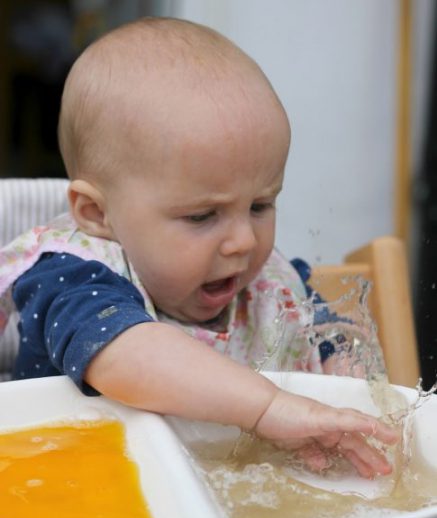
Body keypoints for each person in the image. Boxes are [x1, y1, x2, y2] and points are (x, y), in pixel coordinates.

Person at [0, 17, 398, 477]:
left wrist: (347, 385)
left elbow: (324, 335)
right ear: (96, 214)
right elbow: (128, 356)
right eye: (202, 216)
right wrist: (267, 407)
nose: (244, 241)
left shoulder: (269, 281)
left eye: (260, 205)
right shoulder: (72, 275)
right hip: (75, 492)